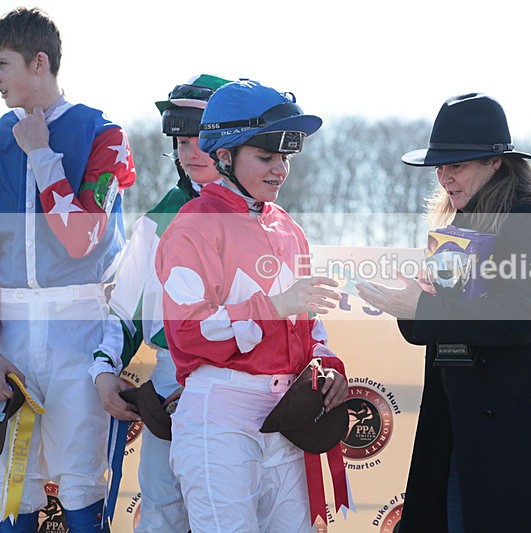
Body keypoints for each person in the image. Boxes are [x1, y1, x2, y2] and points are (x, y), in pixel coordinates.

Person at [357, 93, 531, 532]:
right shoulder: (456, 229)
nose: (443, 178)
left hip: (527, 430)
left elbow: (521, 319)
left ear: (496, 163)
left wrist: (422, 306)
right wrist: (410, 306)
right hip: (463, 422)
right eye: (439, 167)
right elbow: (435, 327)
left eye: (455, 165)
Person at [155, 79, 349, 532]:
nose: (279, 169)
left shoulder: (289, 228)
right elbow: (188, 332)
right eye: (266, 156)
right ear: (224, 155)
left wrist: (327, 367)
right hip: (220, 415)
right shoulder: (192, 225)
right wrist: (273, 306)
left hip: (287, 417)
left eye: (285, 157)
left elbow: (309, 327)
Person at [0, 7, 136, 532]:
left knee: (80, 482)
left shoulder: (103, 133)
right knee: (13, 486)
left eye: (3, 64)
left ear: (40, 63)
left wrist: (40, 154)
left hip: (77, 329)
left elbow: (81, 239)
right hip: (10, 331)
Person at [92, 74, 229, 532]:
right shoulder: (161, 217)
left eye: (202, 142)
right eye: (182, 142)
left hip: (242, 390)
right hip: (172, 384)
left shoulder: (269, 218)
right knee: (162, 510)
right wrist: (104, 371)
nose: (191, 155)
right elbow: (126, 312)